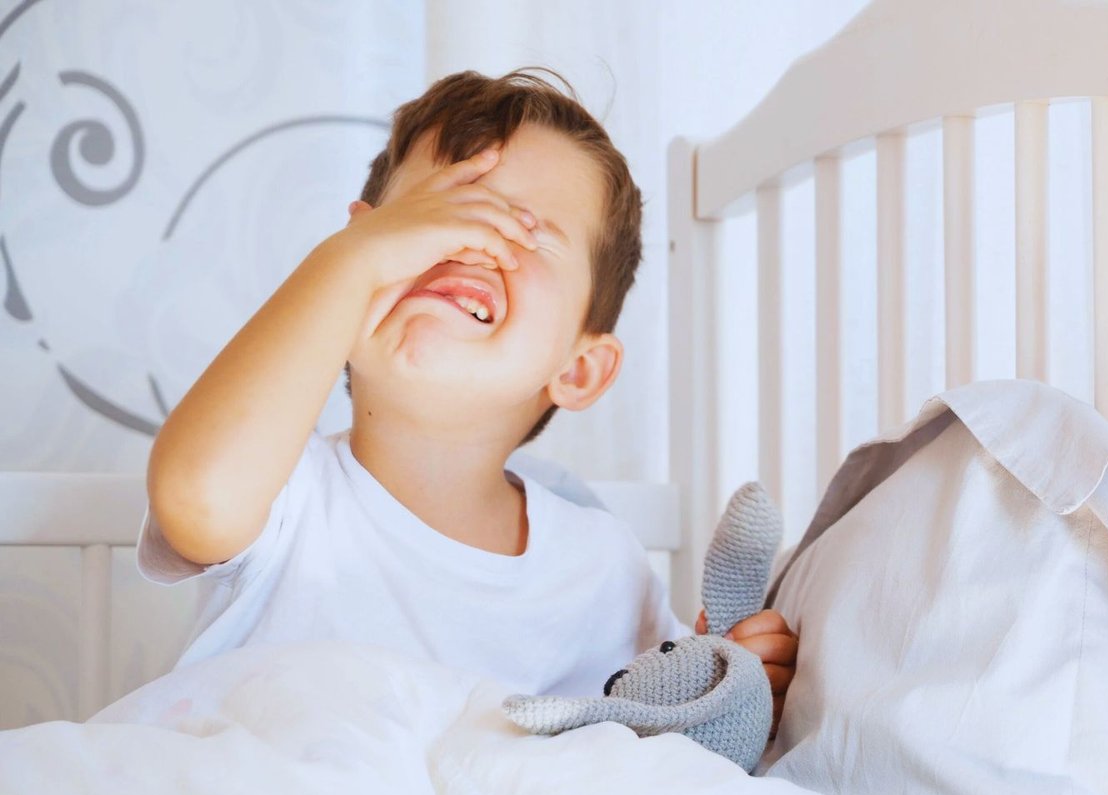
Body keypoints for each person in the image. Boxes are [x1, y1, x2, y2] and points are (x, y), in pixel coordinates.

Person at [136, 68, 796, 730]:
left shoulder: (603, 568)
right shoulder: (282, 494)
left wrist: (730, 668)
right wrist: (351, 263)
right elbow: (196, 495)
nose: (472, 242)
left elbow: (658, 727)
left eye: (527, 233)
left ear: (580, 369)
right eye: (437, 215)